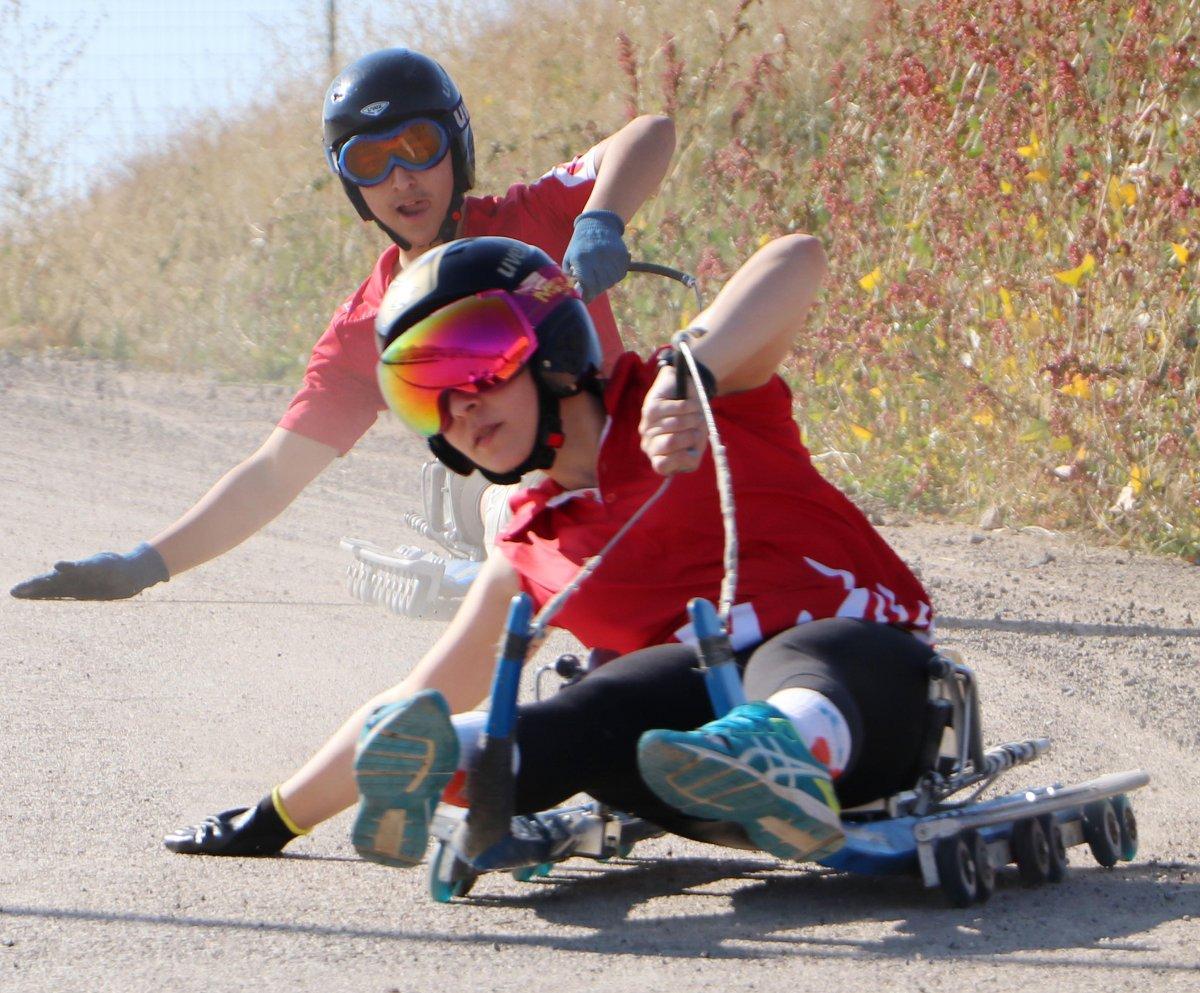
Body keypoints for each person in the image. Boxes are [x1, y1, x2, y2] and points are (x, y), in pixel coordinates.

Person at [164, 234, 936, 865]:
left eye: (476, 360)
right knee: (597, 701)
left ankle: (781, 744)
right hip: (692, 768)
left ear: (552, 343)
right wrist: (276, 817)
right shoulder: (527, 540)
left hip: (869, 707)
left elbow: (797, 258)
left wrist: (689, 371)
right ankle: (453, 760)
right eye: (426, 392)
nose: (460, 404)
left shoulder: (696, 400)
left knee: (805, 654)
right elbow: (424, 686)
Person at [10, 48, 675, 609]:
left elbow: (649, 132)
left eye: (419, 147)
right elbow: (274, 474)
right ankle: (520, 583)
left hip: (634, 459)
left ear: (457, 146)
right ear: (351, 184)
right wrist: (143, 564)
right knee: (523, 487)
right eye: (369, 162)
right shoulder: (366, 328)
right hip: (512, 496)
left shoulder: (529, 220)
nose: (401, 180)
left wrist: (601, 217)